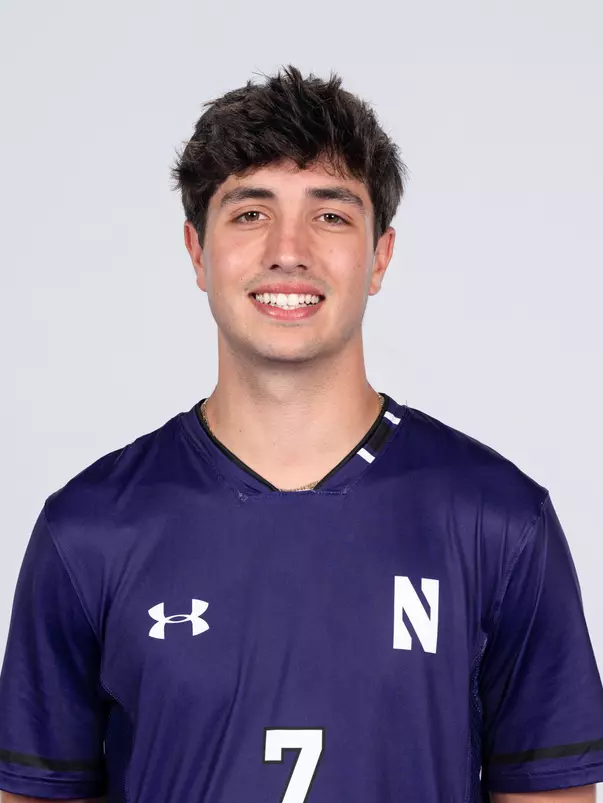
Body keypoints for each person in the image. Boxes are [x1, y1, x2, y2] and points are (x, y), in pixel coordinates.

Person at [0, 64, 601, 803]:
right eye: (250, 213)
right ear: (196, 251)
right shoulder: (88, 528)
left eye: (331, 214)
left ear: (379, 255)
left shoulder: (498, 520)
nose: (289, 249)